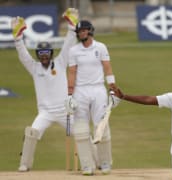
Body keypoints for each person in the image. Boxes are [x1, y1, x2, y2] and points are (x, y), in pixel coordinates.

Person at [11, 8, 79, 172]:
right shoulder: (34, 68)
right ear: (38, 55)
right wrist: (17, 38)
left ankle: (94, 162)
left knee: (82, 134)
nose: (44, 56)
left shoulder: (61, 62)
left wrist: (72, 28)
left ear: (50, 53)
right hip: (45, 113)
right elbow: (22, 55)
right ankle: (25, 164)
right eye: (40, 53)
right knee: (31, 133)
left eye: (46, 53)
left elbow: (69, 44)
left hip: (65, 112)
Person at [67, 20, 118, 175]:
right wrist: (69, 95)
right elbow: (72, 72)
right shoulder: (74, 50)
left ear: (90, 31)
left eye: (84, 31)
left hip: (98, 90)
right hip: (80, 91)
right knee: (81, 129)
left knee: (101, 126)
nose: (81, 33)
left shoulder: (100, 47)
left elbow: (107, 67)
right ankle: (87, 165)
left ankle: (105, 162)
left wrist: (112, 89)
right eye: (79, 31)